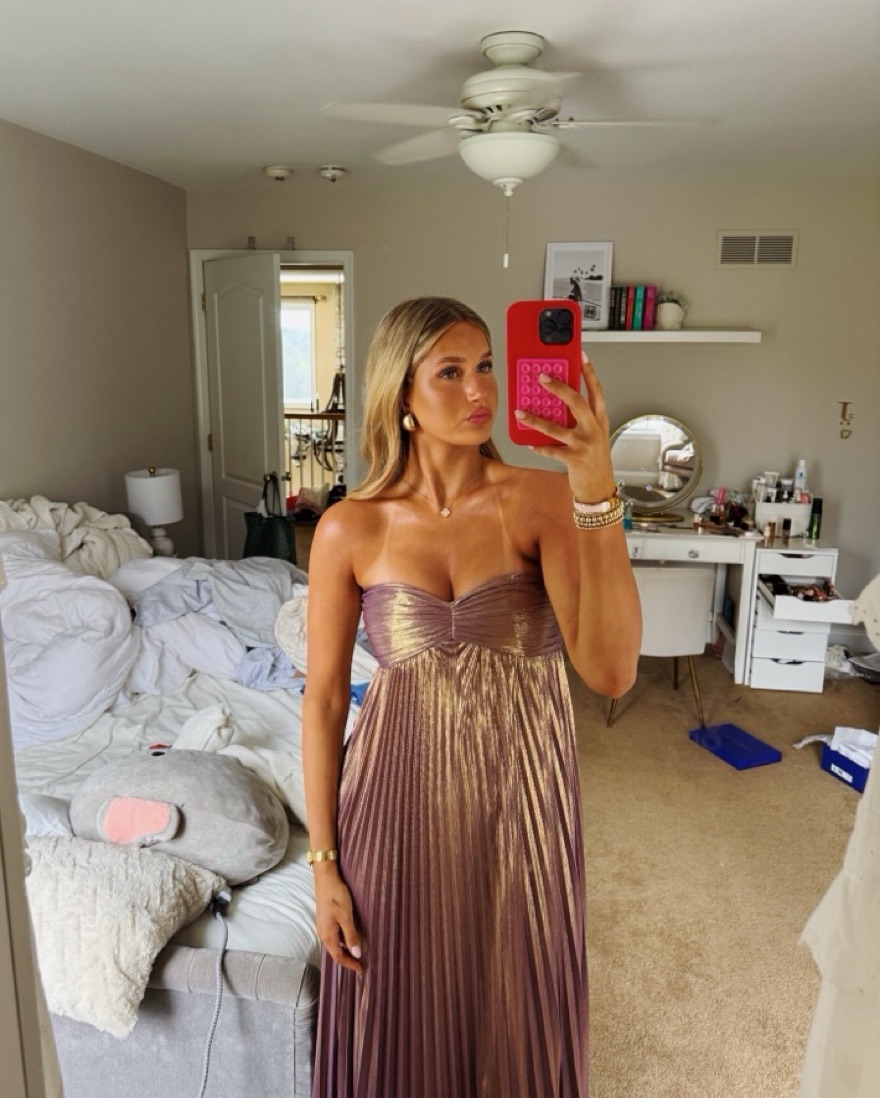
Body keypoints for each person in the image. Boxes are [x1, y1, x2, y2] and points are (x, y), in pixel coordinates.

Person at [302, 296, 641, 1097]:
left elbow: (612, 672)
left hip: (520, 802)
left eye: (486, 365)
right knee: (398, 1013)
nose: (479, 389)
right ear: (402, 395)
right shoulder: (350, 527)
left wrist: (596, 484)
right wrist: (323, 866)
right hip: (391, 807)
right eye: (449, 373)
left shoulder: (543, 499)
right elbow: (322, 702)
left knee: (517, 1010)